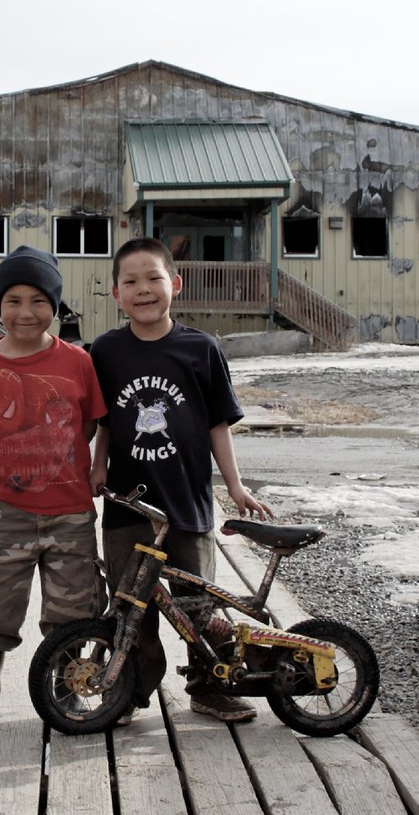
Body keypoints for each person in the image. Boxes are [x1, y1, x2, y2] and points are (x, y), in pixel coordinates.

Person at [89, 237, 273, 724]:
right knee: (132, 608)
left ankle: (209, 688)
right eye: (130, 281)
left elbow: (218, 423)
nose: (143, 289)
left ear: (175, 283)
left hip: (187, 505)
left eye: (153, 278)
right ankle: (130, 692)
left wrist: (234, 486)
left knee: (200, 606)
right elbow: (105, 420)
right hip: (128, 507)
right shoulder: (106, 351)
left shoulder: (201, 349)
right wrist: (97, 464)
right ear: (115, 293)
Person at [0, 245, 108, 727]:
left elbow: (88, 425)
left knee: (73, 603)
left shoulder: (78, 362)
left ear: (55, 307)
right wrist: (2, 463)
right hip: (6, 510)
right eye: (14, 300)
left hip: (70, 509)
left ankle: (69, 685)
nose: (26, 312)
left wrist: (60, 463)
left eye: (39, 300)